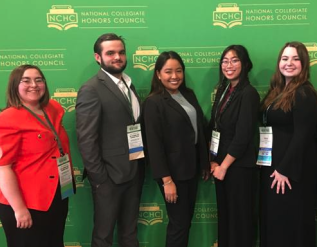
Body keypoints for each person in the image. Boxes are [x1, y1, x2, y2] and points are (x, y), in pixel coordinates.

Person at [76, 33, 144, 247]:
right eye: (111, 53)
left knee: (130, 233)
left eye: (121, 52)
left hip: (134, 171)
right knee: (103, 236)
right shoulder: (91, 89)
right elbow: (86, 138)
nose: (117, 57)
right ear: (98, 57)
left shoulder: (129, 84)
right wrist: (100, 179)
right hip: (108, 177)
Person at [0, 64, 75, 247]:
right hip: (27, 201)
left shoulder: (53, 108)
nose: (34, 85)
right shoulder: (8, 118)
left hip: (56, 194)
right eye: (26, 81)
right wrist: (19, 209)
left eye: (38, 80)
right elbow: (3, 168)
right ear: (15, 86)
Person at [142, 51, 209, 247]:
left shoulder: (188, 94)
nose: (174, 76)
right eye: (168, 71)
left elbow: (200, 130)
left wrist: (204, 163)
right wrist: (166, 180)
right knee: (179, 223)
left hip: (191, 169)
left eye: (179, 71)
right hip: (172, 174)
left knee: (185, 222)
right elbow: (154, 144)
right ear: (158, 74)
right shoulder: (153, 102)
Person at [259, 41, 317, 247]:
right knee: (275, 222)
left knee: (290, 224)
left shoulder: (304, 93)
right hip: (272, 166)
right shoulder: (276, 90)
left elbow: (303, 135)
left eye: (295, 59)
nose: (289, 63)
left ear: (304, 63)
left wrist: (284, 169)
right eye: (285, 59)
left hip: (291, 172)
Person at [208, 45, 260, 247]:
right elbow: (216, 129)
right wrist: (213, 161)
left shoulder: (249, 93)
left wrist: (224, 166)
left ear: (245, 64)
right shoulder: (224, 90)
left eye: (235, 60)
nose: (229, 65)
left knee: (239, 222)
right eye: (225, 61)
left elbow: (243, 135)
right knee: (226, 219)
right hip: (221, 167)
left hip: (238, 167)